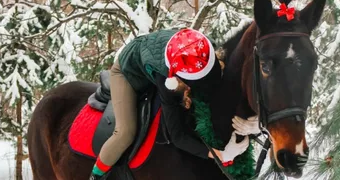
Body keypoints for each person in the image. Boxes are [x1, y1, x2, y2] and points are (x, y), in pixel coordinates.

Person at [90, 28, 250, 180]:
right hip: (128, 72)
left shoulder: (203, 49)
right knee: (125, 132)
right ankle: (96, 175)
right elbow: (177, 136)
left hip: (156, 54)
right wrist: (219, 155)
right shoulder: (168, 83)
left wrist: (255, 124)